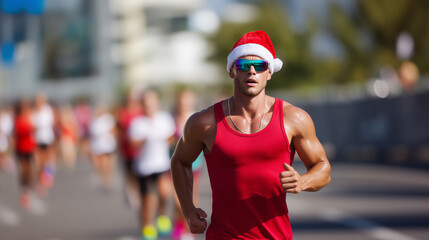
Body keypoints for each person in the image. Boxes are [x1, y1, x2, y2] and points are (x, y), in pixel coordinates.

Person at [170, 30, 331, 239]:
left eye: (261, 66)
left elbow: (323, 167)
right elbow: (180, 161)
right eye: (243, 65)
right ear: (232, 71)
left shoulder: (293, 119)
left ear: (270, 72)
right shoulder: (205, 123)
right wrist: (188, 209)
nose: (252, 71)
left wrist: (303, 181)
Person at [129, 90, 175, 240]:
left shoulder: (164, 118)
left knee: (164, 193)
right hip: (144, 167)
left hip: (162, 165)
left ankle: (162, 217)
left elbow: (172, 138)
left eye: (152, 102)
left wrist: (166, 139)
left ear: (157, 103)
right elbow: (132, 143)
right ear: (142, 105)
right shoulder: (138, 123)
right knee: (148, 202)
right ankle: (148, 230)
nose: (149, 106)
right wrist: (144, 140)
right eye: (146, 103)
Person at [171, 89, 203, 240]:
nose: (184, 103)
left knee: (191, 198)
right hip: (173, 163)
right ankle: (180, 225)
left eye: (187, 100)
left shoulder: (196, 118)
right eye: (182, 100)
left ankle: (187, 229)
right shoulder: (172, 119)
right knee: (177, 200)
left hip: (194, 165)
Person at [13, 98, 37, 208]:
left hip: (29, 147)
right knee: (23, 170)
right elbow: (21, 130)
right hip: (20, 148)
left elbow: (33, 129)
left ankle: (28, 189)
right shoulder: (17, 119)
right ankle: (24, 191)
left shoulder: (30, 117)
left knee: (29, 169)